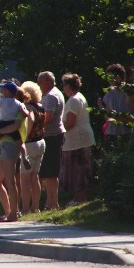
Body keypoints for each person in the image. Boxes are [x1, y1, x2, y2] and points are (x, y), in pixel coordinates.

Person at [59, 73, 96, 205]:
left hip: (77, 139)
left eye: (64, 85)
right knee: (80, 167)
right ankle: (79, 196)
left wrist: (60, 132)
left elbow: (70, 122)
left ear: (68, 86)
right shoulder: (79, 97)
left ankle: (80, 198)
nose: (63, 88)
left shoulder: (74, 100)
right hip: (81, 137)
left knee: (77, 168)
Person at [37, 71, 65, 210]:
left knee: (50, 172)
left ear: (48, 81)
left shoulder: (50, 96)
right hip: (56, 136)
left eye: (40, 82)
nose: (39, 85)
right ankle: (51, 201)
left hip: (51, 137)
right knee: (51, 172)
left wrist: (36, 125)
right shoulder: (57, 93)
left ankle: (52, 203)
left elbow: (48, 117)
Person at [18, 81, 46, 213]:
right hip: (41, 142)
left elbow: (31, 119)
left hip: (30, 144)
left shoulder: (28, 107)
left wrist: (24, 137)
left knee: (25, 178)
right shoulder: (40, 106)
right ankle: (35, 207)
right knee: (35, 176)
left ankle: (25, 208)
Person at [98, 63, 134, 147]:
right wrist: (101, 107)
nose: (109, 80)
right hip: (111, 133)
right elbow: (106, 116)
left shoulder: (129, 91)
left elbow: (132, 113)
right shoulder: (108, 92)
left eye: (110, 77)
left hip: (127, 133)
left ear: (118, 77)